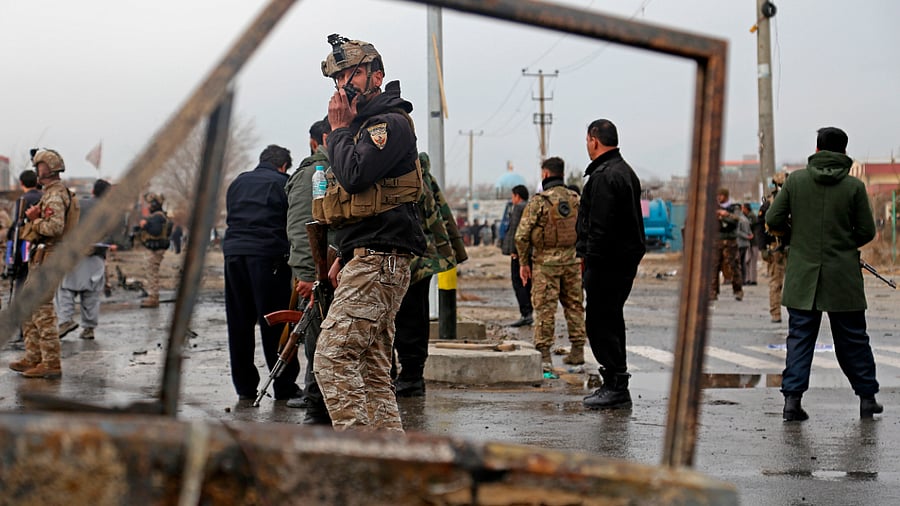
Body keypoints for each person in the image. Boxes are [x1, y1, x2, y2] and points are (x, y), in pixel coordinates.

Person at [312, 35, 425, 431]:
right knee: (373, 371)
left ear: (377, 75)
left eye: (353, 73)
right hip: (370, 255)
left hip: (381, 261)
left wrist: (339, 130)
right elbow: (360, 204)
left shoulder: (388, 125)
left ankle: (360, 457)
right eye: (338, 76)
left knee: (332, 358)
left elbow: (356, 176)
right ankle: (390, 465)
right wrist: (344, 251)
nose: (345, 83)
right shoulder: (362, 128)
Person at [766, 126, 882, 421]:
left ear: (817, 150)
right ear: (843, 152)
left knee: (800, 338)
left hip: (803, 275)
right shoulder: (854, 187)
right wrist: (844, 244)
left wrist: (797, 236)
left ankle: (792, 402)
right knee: (853, 338)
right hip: (843, 276)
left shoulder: (796, 182)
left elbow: (773, 218)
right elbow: (867, 230)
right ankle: (867, 399)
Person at [576, 120, 645, 410]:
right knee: (611, 320)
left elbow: (599, 227)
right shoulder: (625, 172)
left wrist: (589, 262)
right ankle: (616, 382)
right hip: (622, 261)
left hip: (606, 263)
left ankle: (615, 384)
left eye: (587, 140)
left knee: (601, 323)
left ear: (594, 140)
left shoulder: (605, 176)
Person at [224, 144, 301, 403]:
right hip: (267, 256)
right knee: (275, 322)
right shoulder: (283, 183)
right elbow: (291, 222)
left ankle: (244, 387)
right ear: (283, 166)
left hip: (233, 255)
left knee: (239, 322)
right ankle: (284, 386)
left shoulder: (237, 182)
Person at [393, 152, 467, 398]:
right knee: (409, 319)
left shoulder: (411, 176)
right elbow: (442, 212)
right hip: (415, 257)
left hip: (411, 259)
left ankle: (411, 376)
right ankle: (407, 375)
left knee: (409, 319)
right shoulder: (420, 173)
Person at [9, 148, 79, 379]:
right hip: (43, 256)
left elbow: (55, 227)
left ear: (45, 169)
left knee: (42, 309)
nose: (36, 170)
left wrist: (34, 220)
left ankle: (50, 362)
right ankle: (34, 356)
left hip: (51, 255)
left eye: (38, 166)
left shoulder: (55, 194)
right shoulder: (50, 192)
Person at [515, 156, 586, 370]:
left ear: (545, 174)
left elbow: (521, 235)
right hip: (572, 262)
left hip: (546, 264)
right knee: (574, 305)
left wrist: (524, 263)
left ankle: (544, 355)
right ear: (562, 174)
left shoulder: (539, 201)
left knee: (545, 308)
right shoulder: (575, 199)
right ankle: (577, 350)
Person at [284, 118, 333, 423]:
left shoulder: (344, 164)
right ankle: (317, 404)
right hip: (319, 273)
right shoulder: (313, 173)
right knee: (317, 338)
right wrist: (307, 275)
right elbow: (304, 225)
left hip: (339, 269)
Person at [57, 179, 112, 340]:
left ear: (93, 191)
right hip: (96, 256)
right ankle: (88, 328)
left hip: (73, 254)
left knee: (66, 289)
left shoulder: (77, 204)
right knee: (91, 293)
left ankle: (65, 321)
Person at [6, 170, 43, 299]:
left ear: (21, 183)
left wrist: (11, 258)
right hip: (43, 243)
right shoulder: (43, 197)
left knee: (22, 274)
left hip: (25, 243)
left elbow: (18, 226)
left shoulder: (23, 200)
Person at [758, 173, 789, 323]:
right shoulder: (769, 204)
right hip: (776, 247)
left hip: (792, 247)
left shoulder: (794, 201)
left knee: (792, 283)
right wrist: (763, 248)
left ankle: (793, 315)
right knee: (776, 282)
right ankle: (775, 313)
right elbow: (760, 227)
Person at [501, 184, 532, 327]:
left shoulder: (519, 208)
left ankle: (526, 313)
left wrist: (514, 250)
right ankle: (528, 312)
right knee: (528, 282)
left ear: (517, 196)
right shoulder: (530, 206)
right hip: (530, 251)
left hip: (520, 253)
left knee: (518, 282)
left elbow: (515, 231)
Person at [137, 193, 172, 308]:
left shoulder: (157, 217)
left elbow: (156, 231)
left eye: (150, 204)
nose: (148, 207)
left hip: (155, 249)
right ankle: (153, 296)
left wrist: (145, 226)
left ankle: (153, 297)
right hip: (157, 248)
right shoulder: (161, 216)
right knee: (152, 271)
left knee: (152, 272)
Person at [711, 188, 743, 301]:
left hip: (730, 241)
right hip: (717, 240)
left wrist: (724, 216)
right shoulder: (714, 207)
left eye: (721, 195)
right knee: (714, 266)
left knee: (733, 267)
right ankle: (713, 291)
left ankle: (738, 290)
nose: (719, 197)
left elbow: (736, 220)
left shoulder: (734, 207)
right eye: (717, 195)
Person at [735, 204, 753, 287]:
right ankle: (744, 280)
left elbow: (738, 232)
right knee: (743, 263)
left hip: (740, 243)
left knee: (739, 263)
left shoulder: (738, 219)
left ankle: (740, 280)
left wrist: (746, 236)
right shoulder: (745, 219)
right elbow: (749, 231)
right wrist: (749, 236)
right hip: (746, 244)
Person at [741, 203, 759, 285]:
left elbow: (750, 227)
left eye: (743, 208)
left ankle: (752, 279)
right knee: (748, 261)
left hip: (753, 242)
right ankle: (748, 279)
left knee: (752, 262)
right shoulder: (747, 216)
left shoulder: (751, 216)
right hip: (749, 242)